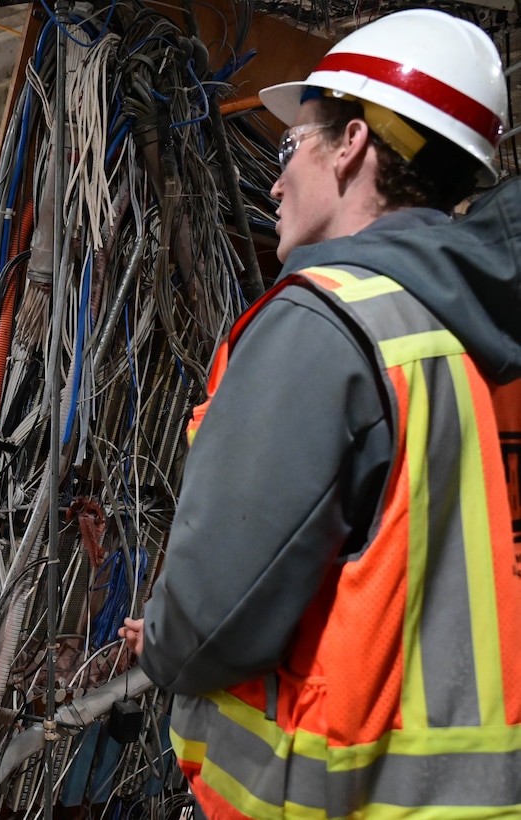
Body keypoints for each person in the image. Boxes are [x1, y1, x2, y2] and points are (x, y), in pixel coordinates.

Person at [119, 9, 521, 818]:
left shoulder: (324, 326)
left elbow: (210, 626)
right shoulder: (477, 329)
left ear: (352, 147)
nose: (272, 182)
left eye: (288, 147)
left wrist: (163, 642)